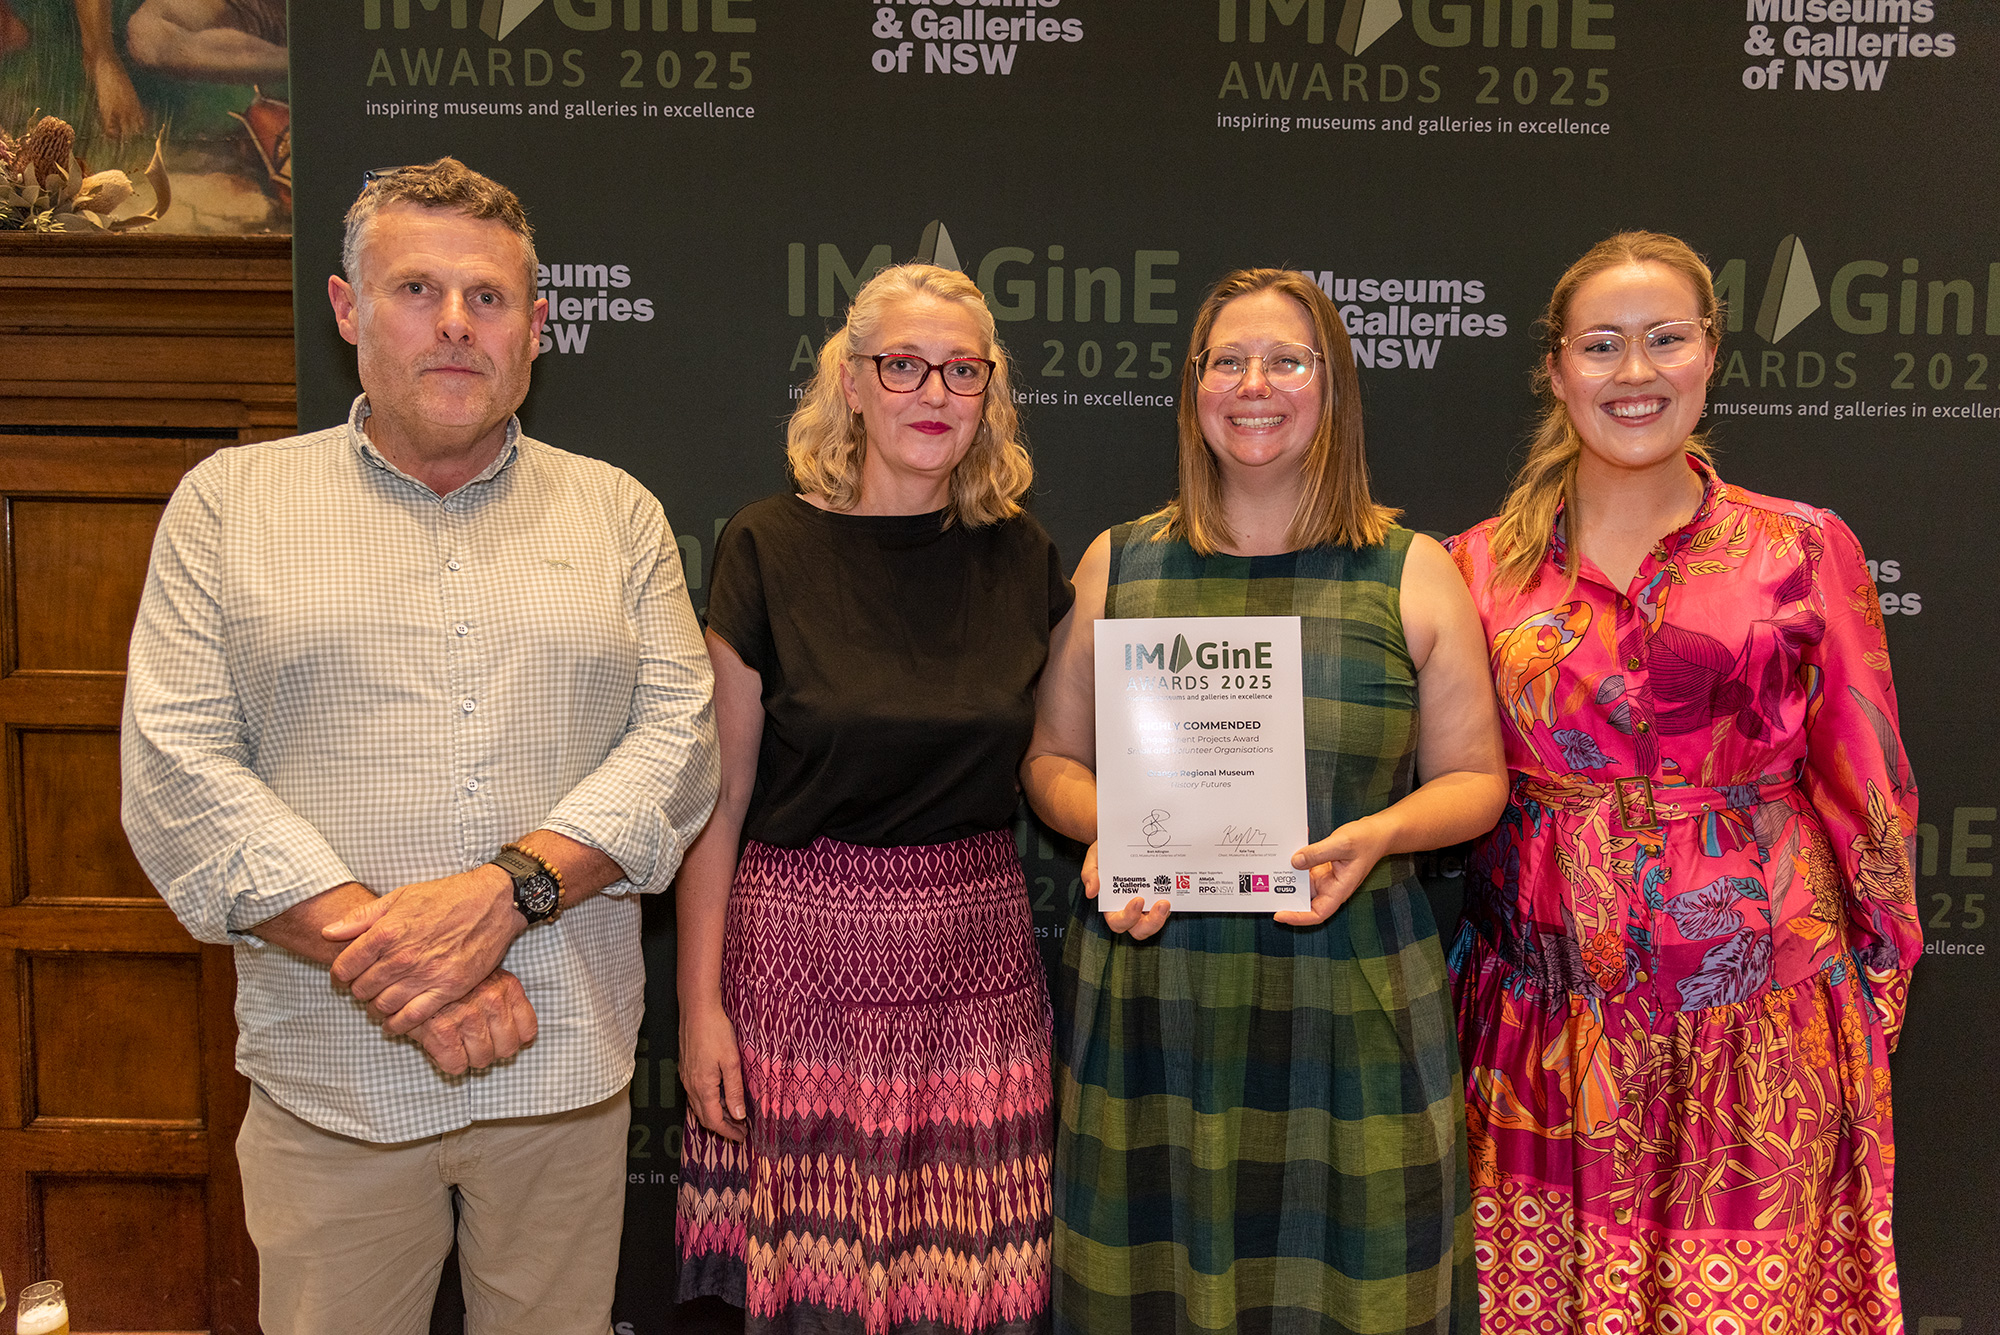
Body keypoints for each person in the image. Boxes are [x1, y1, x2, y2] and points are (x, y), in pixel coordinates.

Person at [121, 157, 720, 1335]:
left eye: (488, 297)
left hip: (560, 1076)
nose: (454, 323)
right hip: (329, 1083)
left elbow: (677, 743)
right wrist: (415, 969)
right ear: (347, 309)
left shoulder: (618, 513)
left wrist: (504, 896)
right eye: (415, 290)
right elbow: (178, 768)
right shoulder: (227, 506)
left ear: (534, 330)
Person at [1445, 231, 1920, 1332]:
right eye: (1600, 345)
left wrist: (1874, 986)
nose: (1634, 371)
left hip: (1762, 1028)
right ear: (1554, 369)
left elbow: (1869, 783)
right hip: (1538, 1030)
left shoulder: (1802, 548)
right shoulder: (1473, 567)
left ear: (1709, 353)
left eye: (1664, 339)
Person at [1022, 268, 1507, 1335]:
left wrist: (1379, 833)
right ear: (1193, 387)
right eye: (1228, 361)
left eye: (1287, 360)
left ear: (1332, 388)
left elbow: (1477, 782)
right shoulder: (1119, 564)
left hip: (1350, 996)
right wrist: (1116, 828)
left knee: (1360, 1295)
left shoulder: (1410, 570)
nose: (1255, 385)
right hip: (1156, 996)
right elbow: (1050, 760)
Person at [675, 262, 1070, 1334]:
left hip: (975, 979)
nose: (933, 392)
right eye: (903, 365)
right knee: (816, 1302)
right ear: (850, 383)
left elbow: (1064, 761)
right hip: (797, 976)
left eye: (960, 370)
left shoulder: (1023, 556)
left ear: (987, 392)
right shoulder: (765, 546)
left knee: (972, 1295)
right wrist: (700, 1010)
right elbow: (718, 800)